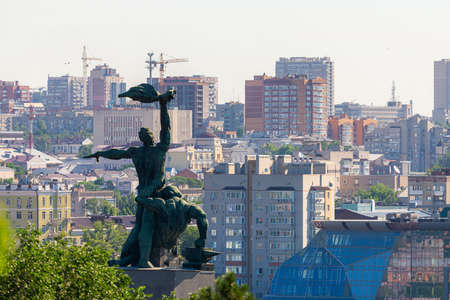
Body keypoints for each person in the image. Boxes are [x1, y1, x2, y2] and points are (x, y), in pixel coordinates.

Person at [85, 86, 174, 267]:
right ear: (150, 138)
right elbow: (166, 128)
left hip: (142, 194)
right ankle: (142, 260)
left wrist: (100, 155)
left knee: (140, 226)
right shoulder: (159, 150)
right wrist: (163, 104)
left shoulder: (137, 152)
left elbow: (117, 153)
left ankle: (128, 257)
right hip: (152, 195)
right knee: (146, 226)